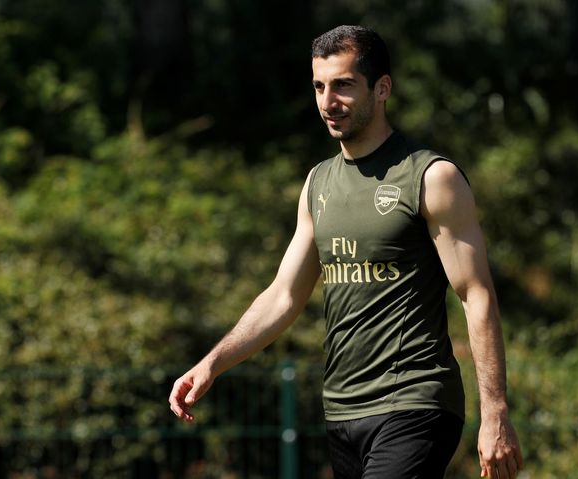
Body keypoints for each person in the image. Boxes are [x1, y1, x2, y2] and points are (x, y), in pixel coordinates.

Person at [169, 25, 523, 479]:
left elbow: (477, 295)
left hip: (415, 402)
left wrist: (494, 412)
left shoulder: (432, 178)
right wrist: (211, 363)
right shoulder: (318, 184)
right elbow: (283, 295)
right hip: (342, 412)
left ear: (383, 88)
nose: (327, 102)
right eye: (319, 86)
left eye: (343, 85)